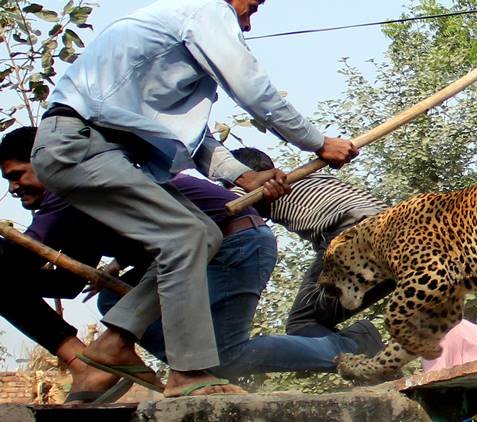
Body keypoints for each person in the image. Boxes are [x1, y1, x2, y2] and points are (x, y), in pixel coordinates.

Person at [30, 0, 357, 397]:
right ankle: (186, 373)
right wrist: (318, 141)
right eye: (250, 8)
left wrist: (244, 175)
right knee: (185, 235)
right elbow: (252, 87)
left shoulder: (170, 36)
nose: (248, 24)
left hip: (90, 146)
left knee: (201, 233)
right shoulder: (205, 9)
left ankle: (113, 345)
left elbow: (183, 137)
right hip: (79, 143)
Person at [0, 127, 378, 402]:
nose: (14, 188)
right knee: (113, 303)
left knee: (227, 356)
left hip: (234, 244)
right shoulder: (77, 207)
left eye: (17, 175)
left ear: (43, 161)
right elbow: (61, 285)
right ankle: (96, 364)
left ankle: (350, 348)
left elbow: (15, 265)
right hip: (196, 256)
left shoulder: (66, 189)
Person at [228, 147, 394, 338]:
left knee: (303, 324)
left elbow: (224, 207)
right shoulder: (314, 176)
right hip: (397, 232)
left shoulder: (252, 188)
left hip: (356, 234)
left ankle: (363, 350)